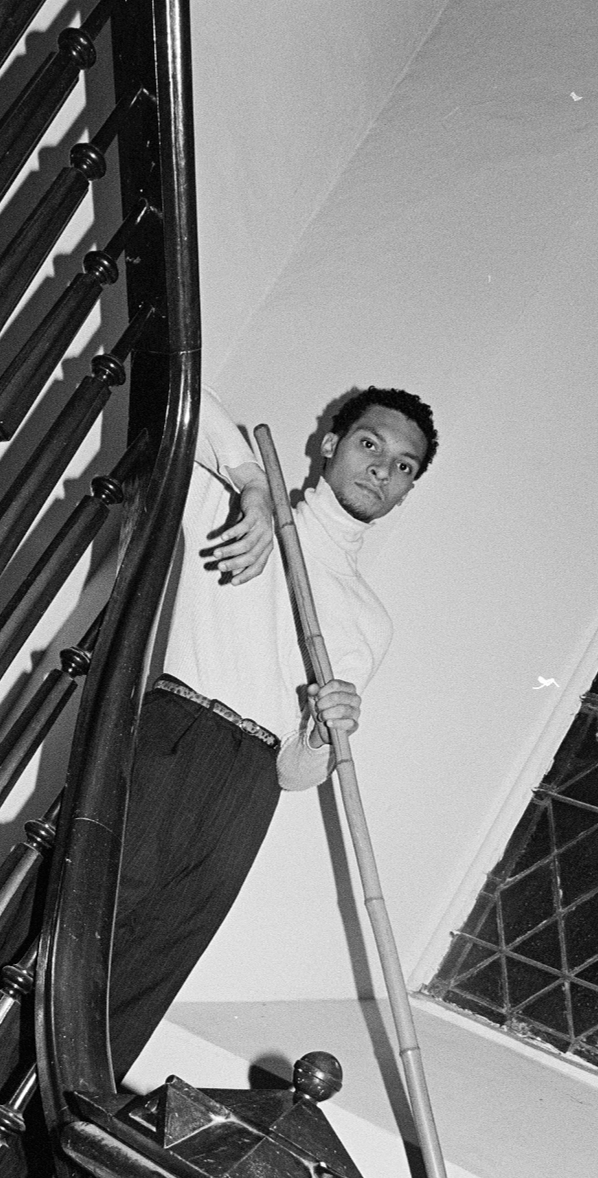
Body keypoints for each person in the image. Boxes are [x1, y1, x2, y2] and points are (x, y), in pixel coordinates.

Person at [107, 385, 438, 1079]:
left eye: (403, 466)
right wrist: (254, 487)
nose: (382, 469)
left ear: (406, 491)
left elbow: (294, 775)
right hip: (171, 738)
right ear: (328, 445)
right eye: (369, 444)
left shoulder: (367, 620)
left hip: (248, 789)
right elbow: (181, 393)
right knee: (75, 925)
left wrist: (322, 733)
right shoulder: (239, 514)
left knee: (143, 976)